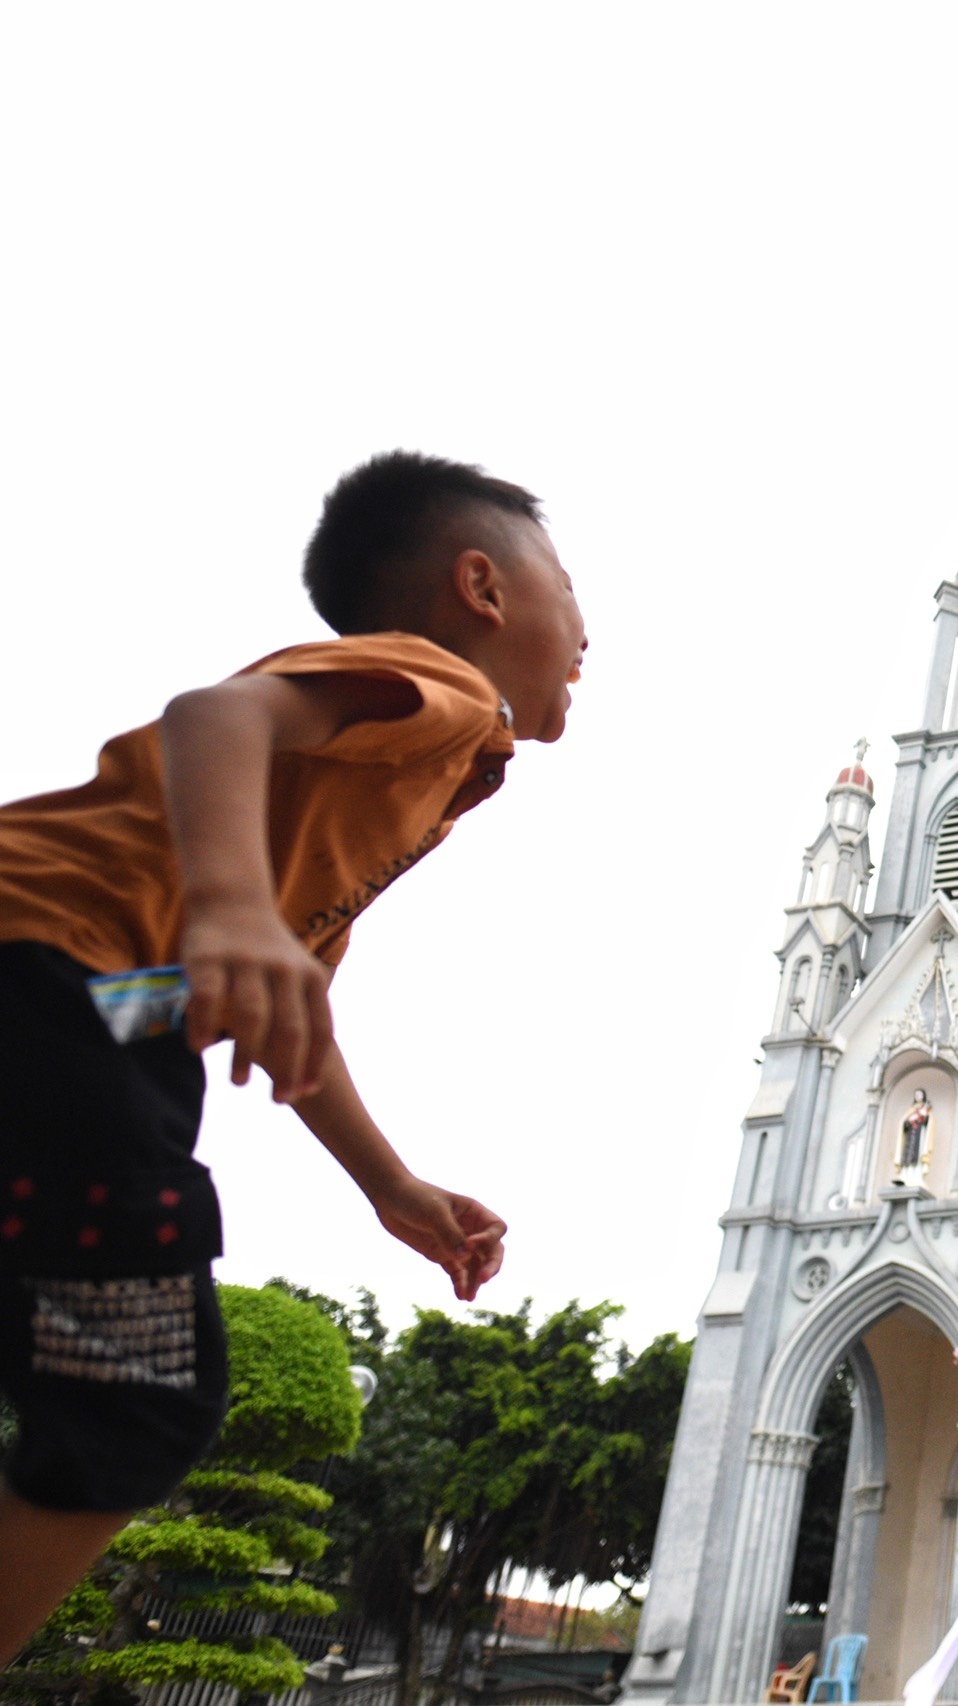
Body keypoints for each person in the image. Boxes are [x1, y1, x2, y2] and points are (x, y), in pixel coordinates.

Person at [0, 452, 587, 1664]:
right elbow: (213, 715)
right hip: (50, 967)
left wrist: (390, 1183)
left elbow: (294, 1024)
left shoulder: (386, 789)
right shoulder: (441, 688)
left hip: (93, 1005)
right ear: (480, 586)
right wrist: (229, 907)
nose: (589, 630)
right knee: (134, 1402)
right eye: (570, 588)